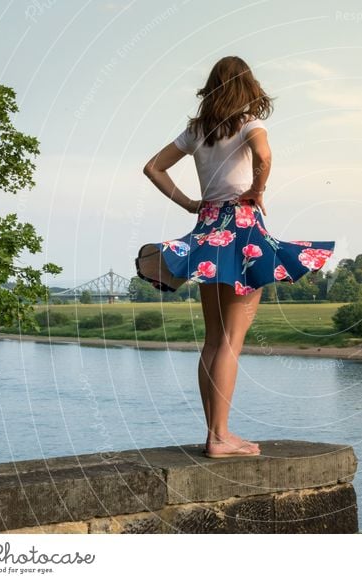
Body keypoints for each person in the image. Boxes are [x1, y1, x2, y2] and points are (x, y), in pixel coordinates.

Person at [138, 56, 335, 459]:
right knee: (231, 340)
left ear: (211, 88)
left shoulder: (197, 131)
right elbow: (263, 157)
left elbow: (153, 168)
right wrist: (258, 191)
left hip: (208, 227)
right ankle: (222, 438)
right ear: (247, 87)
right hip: (243, 228)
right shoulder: (249, 123)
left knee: (213, 340)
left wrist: (191, 203)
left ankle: (214, 434)